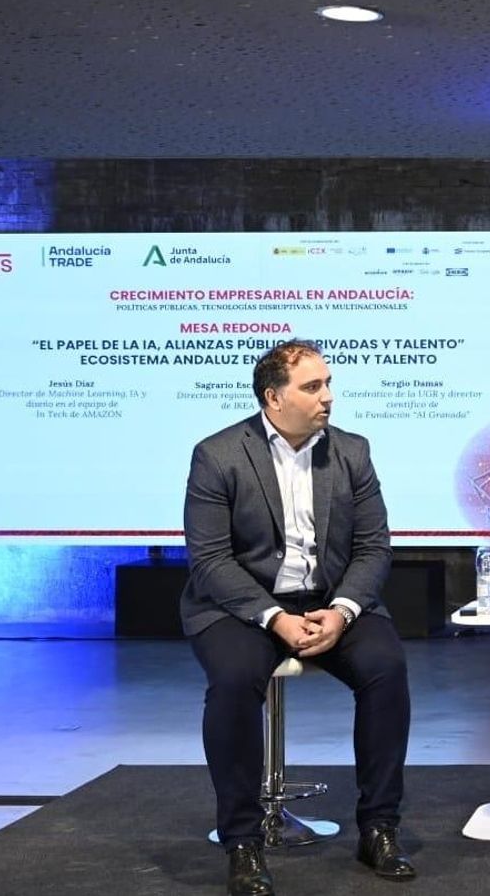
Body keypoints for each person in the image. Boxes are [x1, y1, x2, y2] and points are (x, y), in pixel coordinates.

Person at [182, 339, 414, 895]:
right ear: (273, 397)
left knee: (387, 670)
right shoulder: (218, 455)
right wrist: (272, 617)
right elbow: (210, 560)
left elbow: (374, 549)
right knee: (235, 683)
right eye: (313, 387)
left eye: (328, 383)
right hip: (241, 607)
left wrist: (341, 610)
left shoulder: (352, 451)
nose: (327, 397)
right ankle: (242, 841)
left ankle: (378, 828)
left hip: (330, 601)